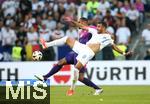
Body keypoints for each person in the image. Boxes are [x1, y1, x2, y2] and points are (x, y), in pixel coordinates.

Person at [37, 17, 132, 95]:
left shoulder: (108, 37)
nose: (97, 28)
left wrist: (123, 53)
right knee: (67, 39)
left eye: (99, 27)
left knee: (76, 71)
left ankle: (72, 89)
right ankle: (46, 45)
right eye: (97, 26)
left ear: (103, 27)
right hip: (82, 48)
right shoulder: (94, 31)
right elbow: (81, 26)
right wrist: (72, 21)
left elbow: (114, 47)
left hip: (88, 53)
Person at [35, 17, 102, 96]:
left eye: (79, 22)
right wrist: (70, 22)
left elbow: (97, 31)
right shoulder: (81, 31)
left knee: (80, 77)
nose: (78, 23)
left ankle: (94, 89)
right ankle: (45, 77)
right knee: (61, 62)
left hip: (83, 54)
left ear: (84, 22)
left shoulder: (92, 29)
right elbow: (76, 25)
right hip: (76, 52)